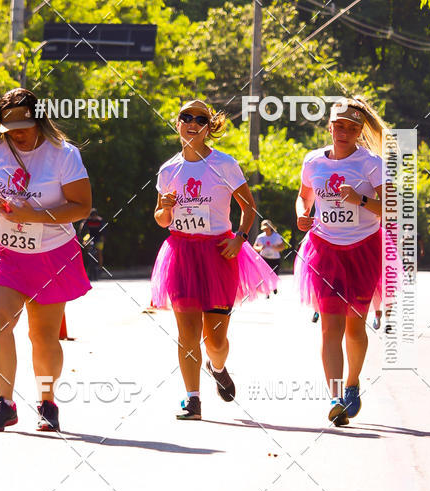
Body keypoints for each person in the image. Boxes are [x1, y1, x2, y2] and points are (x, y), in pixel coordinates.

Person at [151, 99, 278, 420]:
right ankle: (192, 399)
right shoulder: (168, 169)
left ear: (210, 128)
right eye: (186, 117)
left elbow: (249, 207)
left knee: (216, 340)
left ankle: (217, 366)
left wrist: (241, 238)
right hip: (181, 253)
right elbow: (161, 219)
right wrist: (165, 208)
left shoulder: (224, 164)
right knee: (187, 333)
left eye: (200, 119)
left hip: (219, 253)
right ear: (177, 123)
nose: (192, 123)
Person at [0, 88, 92, 433]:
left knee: (42, 336)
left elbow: (81, 206)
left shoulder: (63, 154)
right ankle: (5, 404)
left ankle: (47, 401)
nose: (20, 134)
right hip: (5, 251)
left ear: (39, 120)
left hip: (51, 253)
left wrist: (35, 214)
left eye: (26, 125)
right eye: (11, 129)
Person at [294, 98, 393, 427]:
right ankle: (335, 397)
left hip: (363, 250)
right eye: (339, 126)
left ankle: (352, 384)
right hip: (324, 251)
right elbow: (304, 196)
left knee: (355, 325)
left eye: (352, 128)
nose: (344, 132)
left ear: (361, 131)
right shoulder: (313, 161)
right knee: (329, 327)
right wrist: (301, 215)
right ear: (330, 126)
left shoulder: (371, 164)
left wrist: (360, 199)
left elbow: (390, 210)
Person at [253, 219, 284, 296]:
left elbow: (282, 247)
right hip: (264, 259)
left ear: (271, 227)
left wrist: (276, 248)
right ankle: (267, 291)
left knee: (274, 275)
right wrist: (260, 248)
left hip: (275, 259)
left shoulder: (277, 236)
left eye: (267, 228)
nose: (266, 230)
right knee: (265, 275)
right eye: (264, 228)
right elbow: (254, 247)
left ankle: (274, 287)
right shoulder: (260, 237)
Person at [78, 208, 105, 278]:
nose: (93, 217)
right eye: (92, 216)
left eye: (95, 215)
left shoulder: (100, 221)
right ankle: (89, 267)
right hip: (90, 236)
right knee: (87, 248)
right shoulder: (88, 220)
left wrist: (103, 238)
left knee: (99, 252)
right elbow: (82, 228)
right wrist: (82, 239)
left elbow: (104, 231)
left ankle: (100, 268)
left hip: (98, 237)